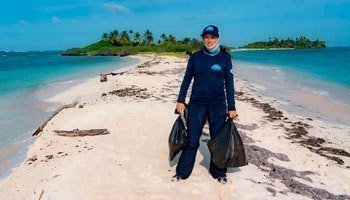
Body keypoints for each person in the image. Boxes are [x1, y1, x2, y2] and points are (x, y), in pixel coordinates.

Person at [173, 25, 238, 184]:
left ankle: (219, 173)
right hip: (197, 104)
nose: (209, 40)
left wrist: (232, 107)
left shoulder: (225, 58)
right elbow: (187, 80)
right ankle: (182, 172)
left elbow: (229, 84)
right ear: (203, 39)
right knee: (192, 139)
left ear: (218, 38)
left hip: (218, 105)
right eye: (206, 37)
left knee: (217, 140)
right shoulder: (195, 57)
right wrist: (181, 100)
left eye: (212, 37)